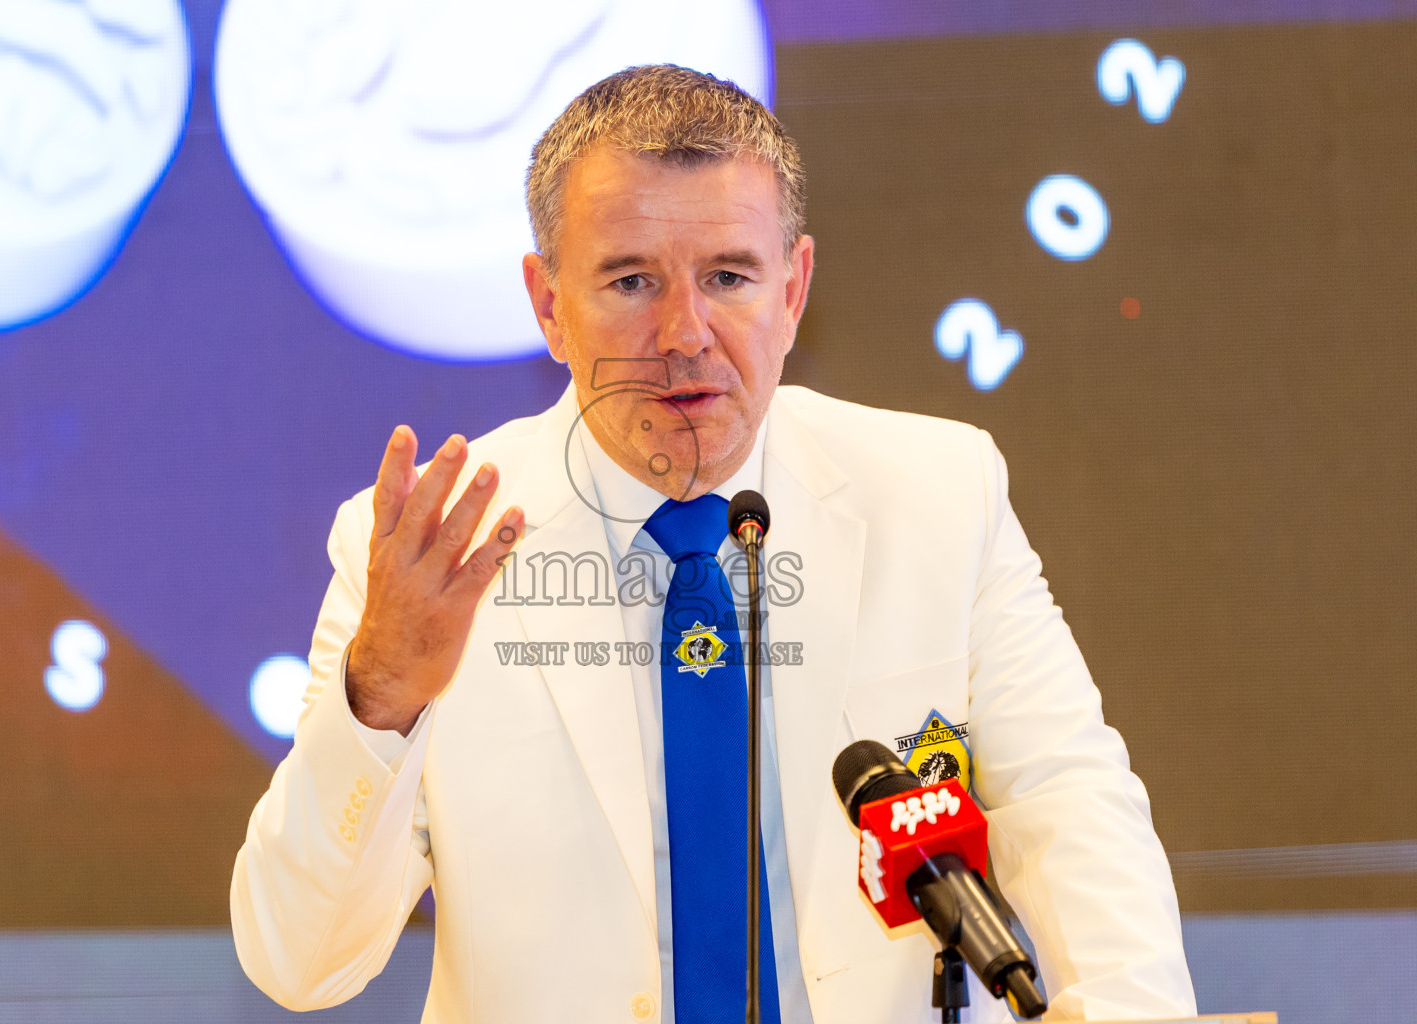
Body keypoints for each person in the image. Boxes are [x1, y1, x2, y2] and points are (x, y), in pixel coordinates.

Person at [230, 65, 1197, 1023]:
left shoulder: (940, 494)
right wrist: (383, 696)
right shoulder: (428, 552)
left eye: (729, 277)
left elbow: (1072, 810)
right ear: (548, 305)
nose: (684, 333)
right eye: (631, 281)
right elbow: (299, 964)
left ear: (794, 290)